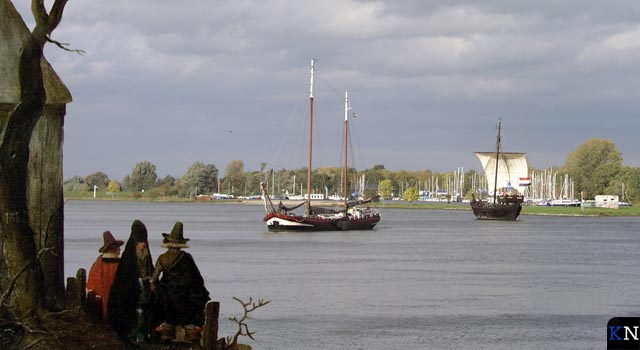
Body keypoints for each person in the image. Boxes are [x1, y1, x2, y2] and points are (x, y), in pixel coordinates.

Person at [151, 222, 210, 334]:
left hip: (168, 299)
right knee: (197, 294)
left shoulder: (162, 258)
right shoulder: (187, 258)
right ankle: (189, 326)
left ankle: (167, 325)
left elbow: (154, 279)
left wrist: (156, 290)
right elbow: (197, 278)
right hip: (186, 300)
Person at [108, 219, 158, 342]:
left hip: (145, 296)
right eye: (140, 242)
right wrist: (137, 284)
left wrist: (151, 284)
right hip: (130, 299)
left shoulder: (146, 257)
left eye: (144, 241)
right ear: (135, 243)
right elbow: (123, 283)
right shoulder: (127, 259)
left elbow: (152, 273)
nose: (143, 245)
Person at [86, 230, 124, 320]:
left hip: (101, 302)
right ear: (114, 249)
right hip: (117, 304)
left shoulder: (98, 264)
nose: (119, 250)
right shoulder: (121, 264)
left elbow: (92, 285)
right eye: (118, 248)